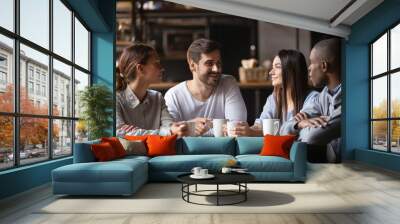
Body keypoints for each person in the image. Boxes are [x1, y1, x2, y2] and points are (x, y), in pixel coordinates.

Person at [164, 38, 247, 136]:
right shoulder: (173, 95)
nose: (216, 69)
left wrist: (189, 129)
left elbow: (237, 128)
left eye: (218, 63)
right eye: (209, 63)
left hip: (223, 150)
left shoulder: (228, 83)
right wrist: (191, 126)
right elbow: (169, 131)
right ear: (192, 65)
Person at [230, 49, 319, 136]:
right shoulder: (273, 98)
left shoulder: (313, 99)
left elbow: (293, 127)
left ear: (292, 71)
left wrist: (252, 132)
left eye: (277, 67)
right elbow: (260, 125)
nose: (270, 72)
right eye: (272, 67)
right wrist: (244, 129)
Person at [116, 43, 187, 137]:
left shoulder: (158, 97)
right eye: (157, 63)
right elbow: (120, 132)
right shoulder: (116, 100)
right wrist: (166, 132)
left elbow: (169, 127)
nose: (162, 68)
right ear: (140, 68)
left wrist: (179, 127)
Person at [291, 38, 342, 162]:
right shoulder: (322, 96)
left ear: (324, 66)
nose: (308, 69)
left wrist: (299, 130)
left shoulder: (351, 100)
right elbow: (285, 127)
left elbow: (312, 137)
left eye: (311, 62)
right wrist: (300, 123)